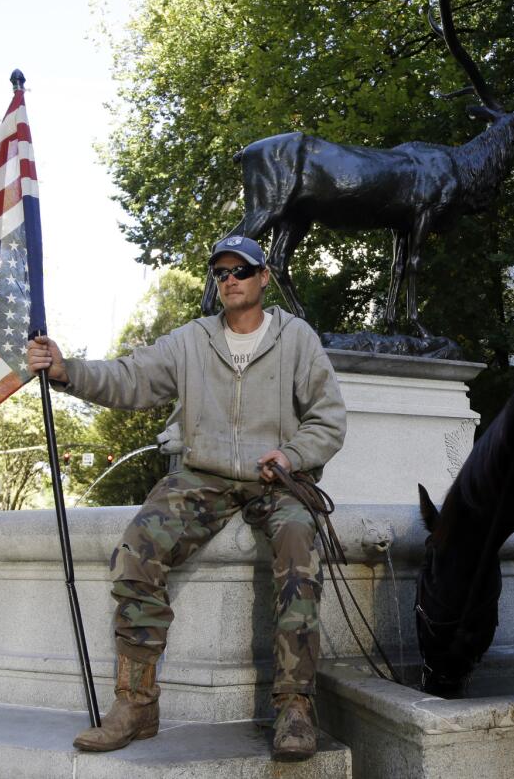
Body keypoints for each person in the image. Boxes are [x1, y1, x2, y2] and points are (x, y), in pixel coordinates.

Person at [26, 235, 345, 761]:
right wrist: (66, 371)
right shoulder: (192, 340)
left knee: (297, 542)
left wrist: (291, 454)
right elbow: (130, 378)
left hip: (276, 477)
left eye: (241, 270)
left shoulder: (298, 338)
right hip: (203, 477)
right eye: (220, 273)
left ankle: (294, 705)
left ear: (264, 277)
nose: (230, 280)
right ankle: (136, 704)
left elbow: (328, 419)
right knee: (137, 549)